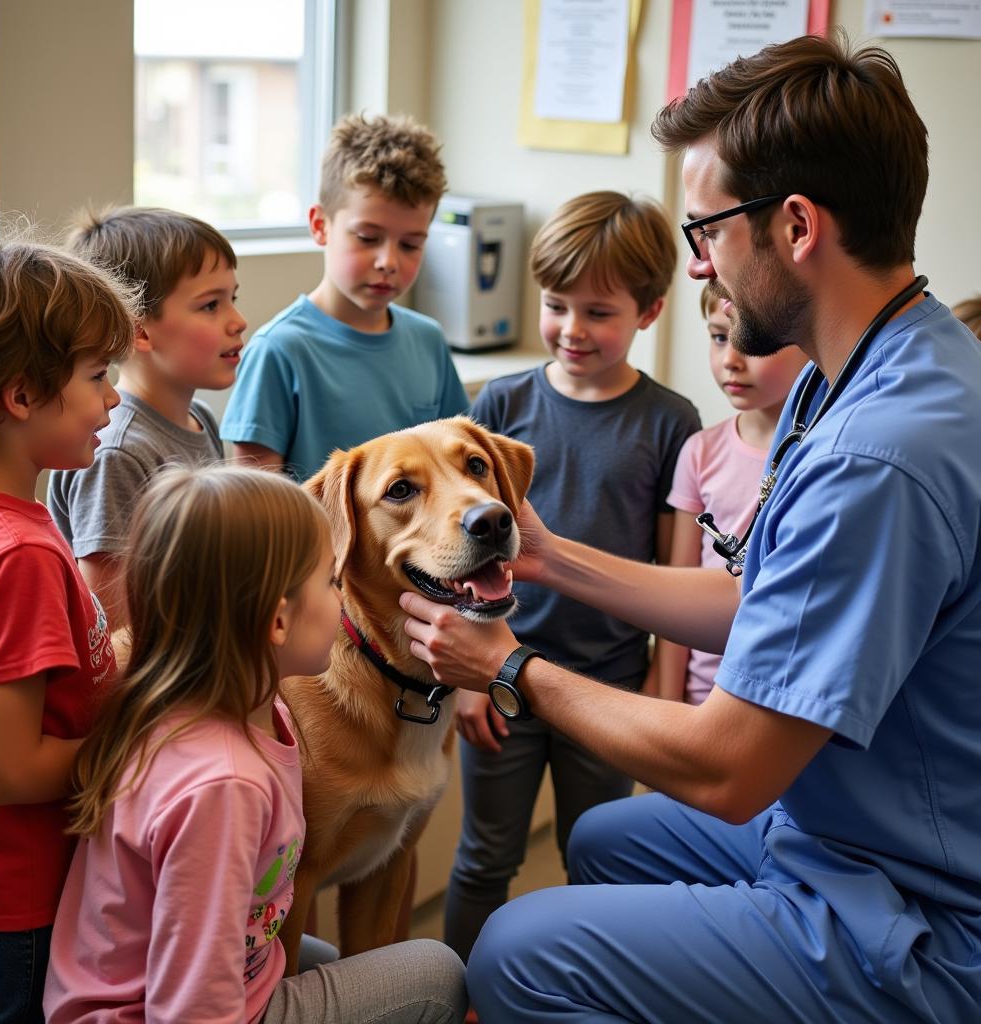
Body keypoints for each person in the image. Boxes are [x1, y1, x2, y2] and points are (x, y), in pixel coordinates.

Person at [399, 33, 981, 1023]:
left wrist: (509, 668)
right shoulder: (875, 368)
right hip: (852, 826)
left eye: (706, 228)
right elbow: (760, 604)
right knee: (605, 841)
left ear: (796, 226)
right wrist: (548, 557)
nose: (702, 262)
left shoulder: (877, 456)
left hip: (919, 915)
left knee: (515, 951)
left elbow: (727, 766)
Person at [43, 465, 468, 1024]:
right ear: (277, 621)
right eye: (329, 582)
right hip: (156, 1011)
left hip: (223, 968)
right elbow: (191, 1008)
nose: (343, 601)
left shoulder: (239, 717)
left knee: (342, 963)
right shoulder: (221, 786)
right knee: (436, 974)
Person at [445, 191, 700, 963]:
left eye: (600, 312)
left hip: (611, 690)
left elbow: (674, 572)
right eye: (557, 306)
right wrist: (465, 675)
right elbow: (463, 554)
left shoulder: (669, 420)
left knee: (603, 867)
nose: (573, 330)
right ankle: (459, 1003)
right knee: (486, 859)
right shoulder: (501, 403)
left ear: (650, 311)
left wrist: (662, 686)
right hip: (500, 684)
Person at [0, 234, 137, 1022]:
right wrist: (142, 748)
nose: (114, 398)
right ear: (21, 396)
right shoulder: (19, 554)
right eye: (98, 376)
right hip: (11, 918)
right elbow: (12, 770)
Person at [221, 112, 469, 482]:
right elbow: (257, 511)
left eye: (411, 244)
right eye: (368, 238)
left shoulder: (428, 340)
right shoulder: (279, 350)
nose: (388, 261)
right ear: (321, 226)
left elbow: (455, 467)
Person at [47, 206, 246, 632]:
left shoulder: (201, 418)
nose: (238, 321)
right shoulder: (118, 452)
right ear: (138, 330)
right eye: (211, 305)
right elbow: (113, 629)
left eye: (234, 298)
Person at [655, 285, 805, 705]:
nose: (730, 360)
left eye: (752, 342)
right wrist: (668, 706)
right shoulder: (700, 453)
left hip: (780, 700)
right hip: (702, 697)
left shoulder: (824, 454)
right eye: (720, 337)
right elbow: (675, 595)